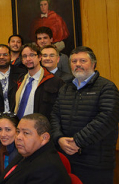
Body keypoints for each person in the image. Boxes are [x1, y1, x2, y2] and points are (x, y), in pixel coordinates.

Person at [50, 46, 119, 184]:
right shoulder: (65, 88)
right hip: (67, 159)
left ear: (93, 64)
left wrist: (77, 141)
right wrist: (59, 138)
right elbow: (54, 116)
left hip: (95, 164)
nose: (78, 64)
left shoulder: (107, 87)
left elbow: (107, 119)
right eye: (74, 61)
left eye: (83, 61)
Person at [0, 114, 71, 184]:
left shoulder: (48, 169)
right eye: (18, 131)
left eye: (26, 133)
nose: (18, 137)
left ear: (44, 138)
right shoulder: (25, 153)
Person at [12, 44, 63, 120]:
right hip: (19, 126)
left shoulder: (54, 81)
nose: (28, 59)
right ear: (22, 60)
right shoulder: (20, 80)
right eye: (25, 56)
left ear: (39, 57)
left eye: (32, 55)